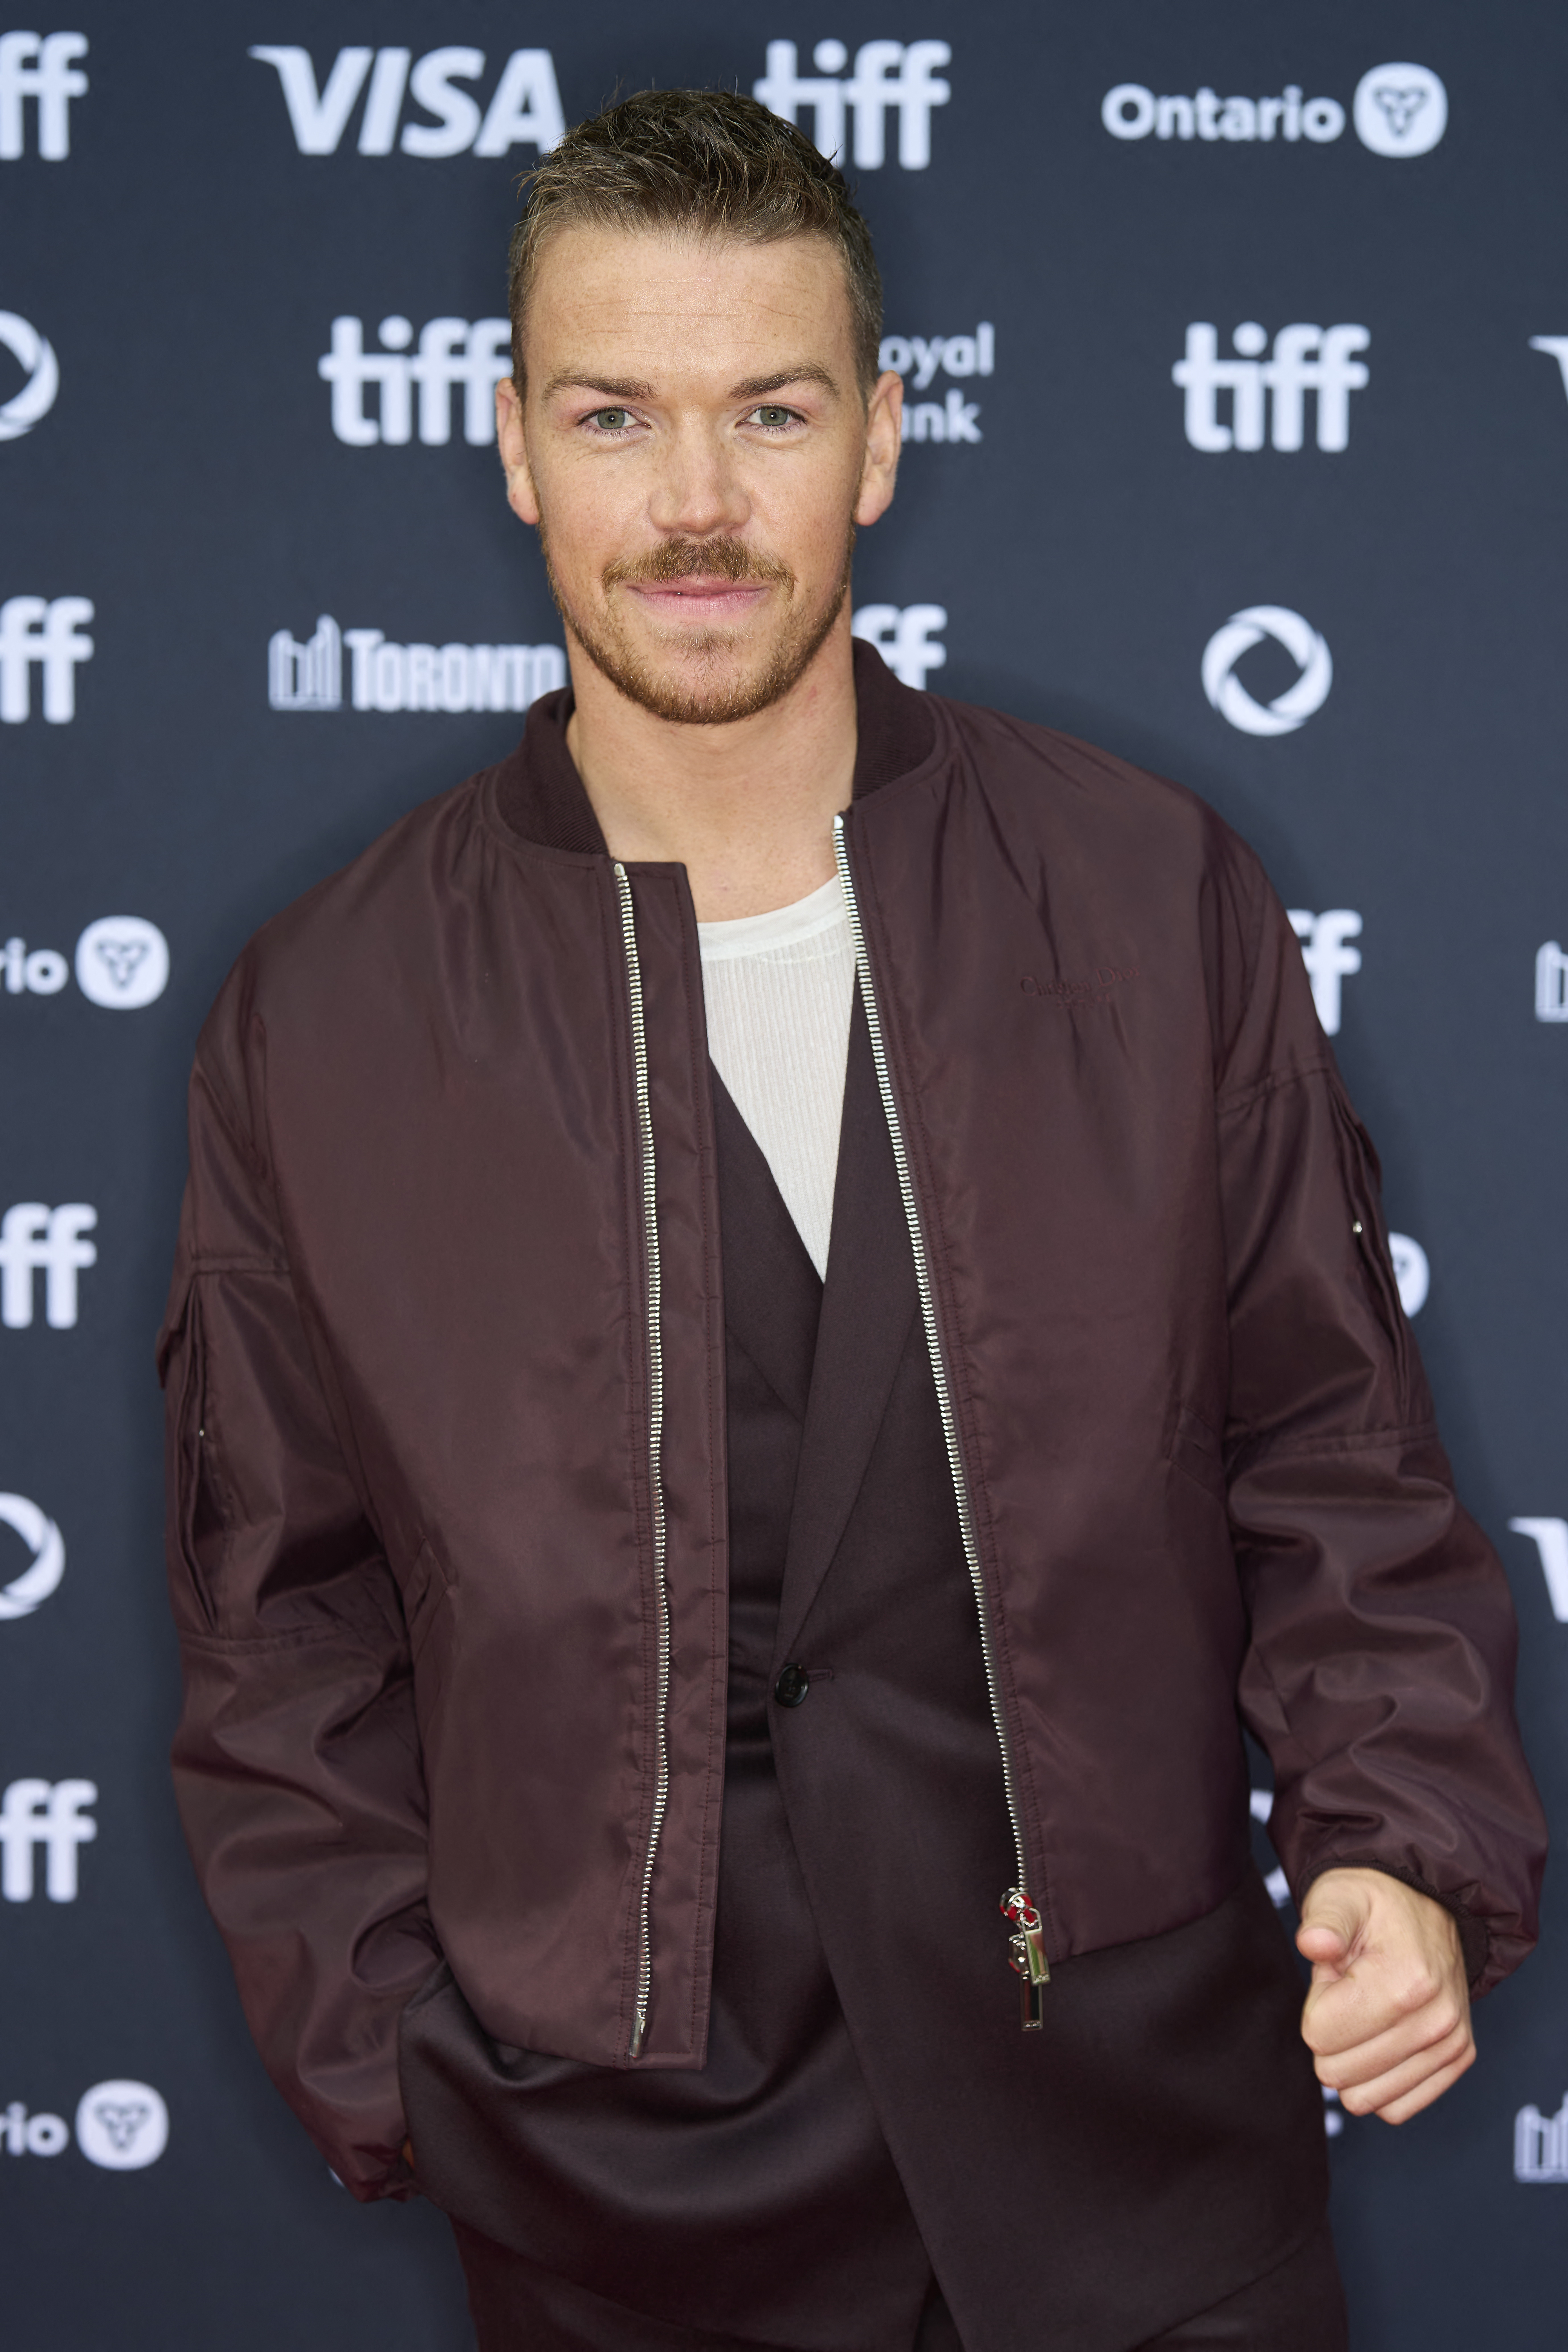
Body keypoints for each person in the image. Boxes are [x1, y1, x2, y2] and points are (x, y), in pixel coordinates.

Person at [158, 88, 1545, 2352]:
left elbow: (1331, 1444)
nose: (694, 504)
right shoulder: (320, 1010)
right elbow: (276, 1622)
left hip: (1145, 2154)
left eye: (770, 412)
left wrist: (1401, 1837)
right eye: (617, 415)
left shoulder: (1144, 887)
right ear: (511, 449)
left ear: (881, 441)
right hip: (617, 2197)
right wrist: (404, 2053)